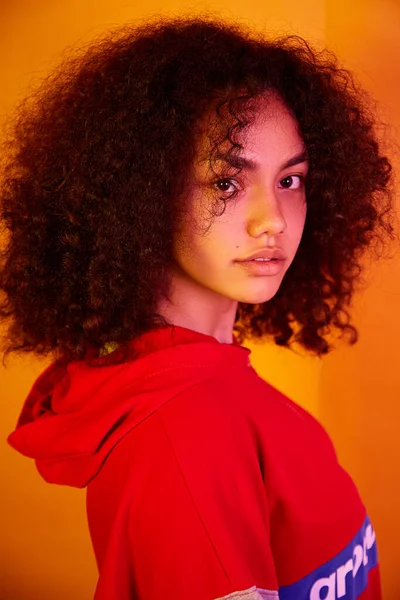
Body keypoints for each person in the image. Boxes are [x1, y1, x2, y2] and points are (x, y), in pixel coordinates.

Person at [1, 14, 396, 600]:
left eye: (291, 180)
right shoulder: (186, 434)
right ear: (142, 194)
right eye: (226, 183)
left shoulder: (190, 383)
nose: (274, 220)